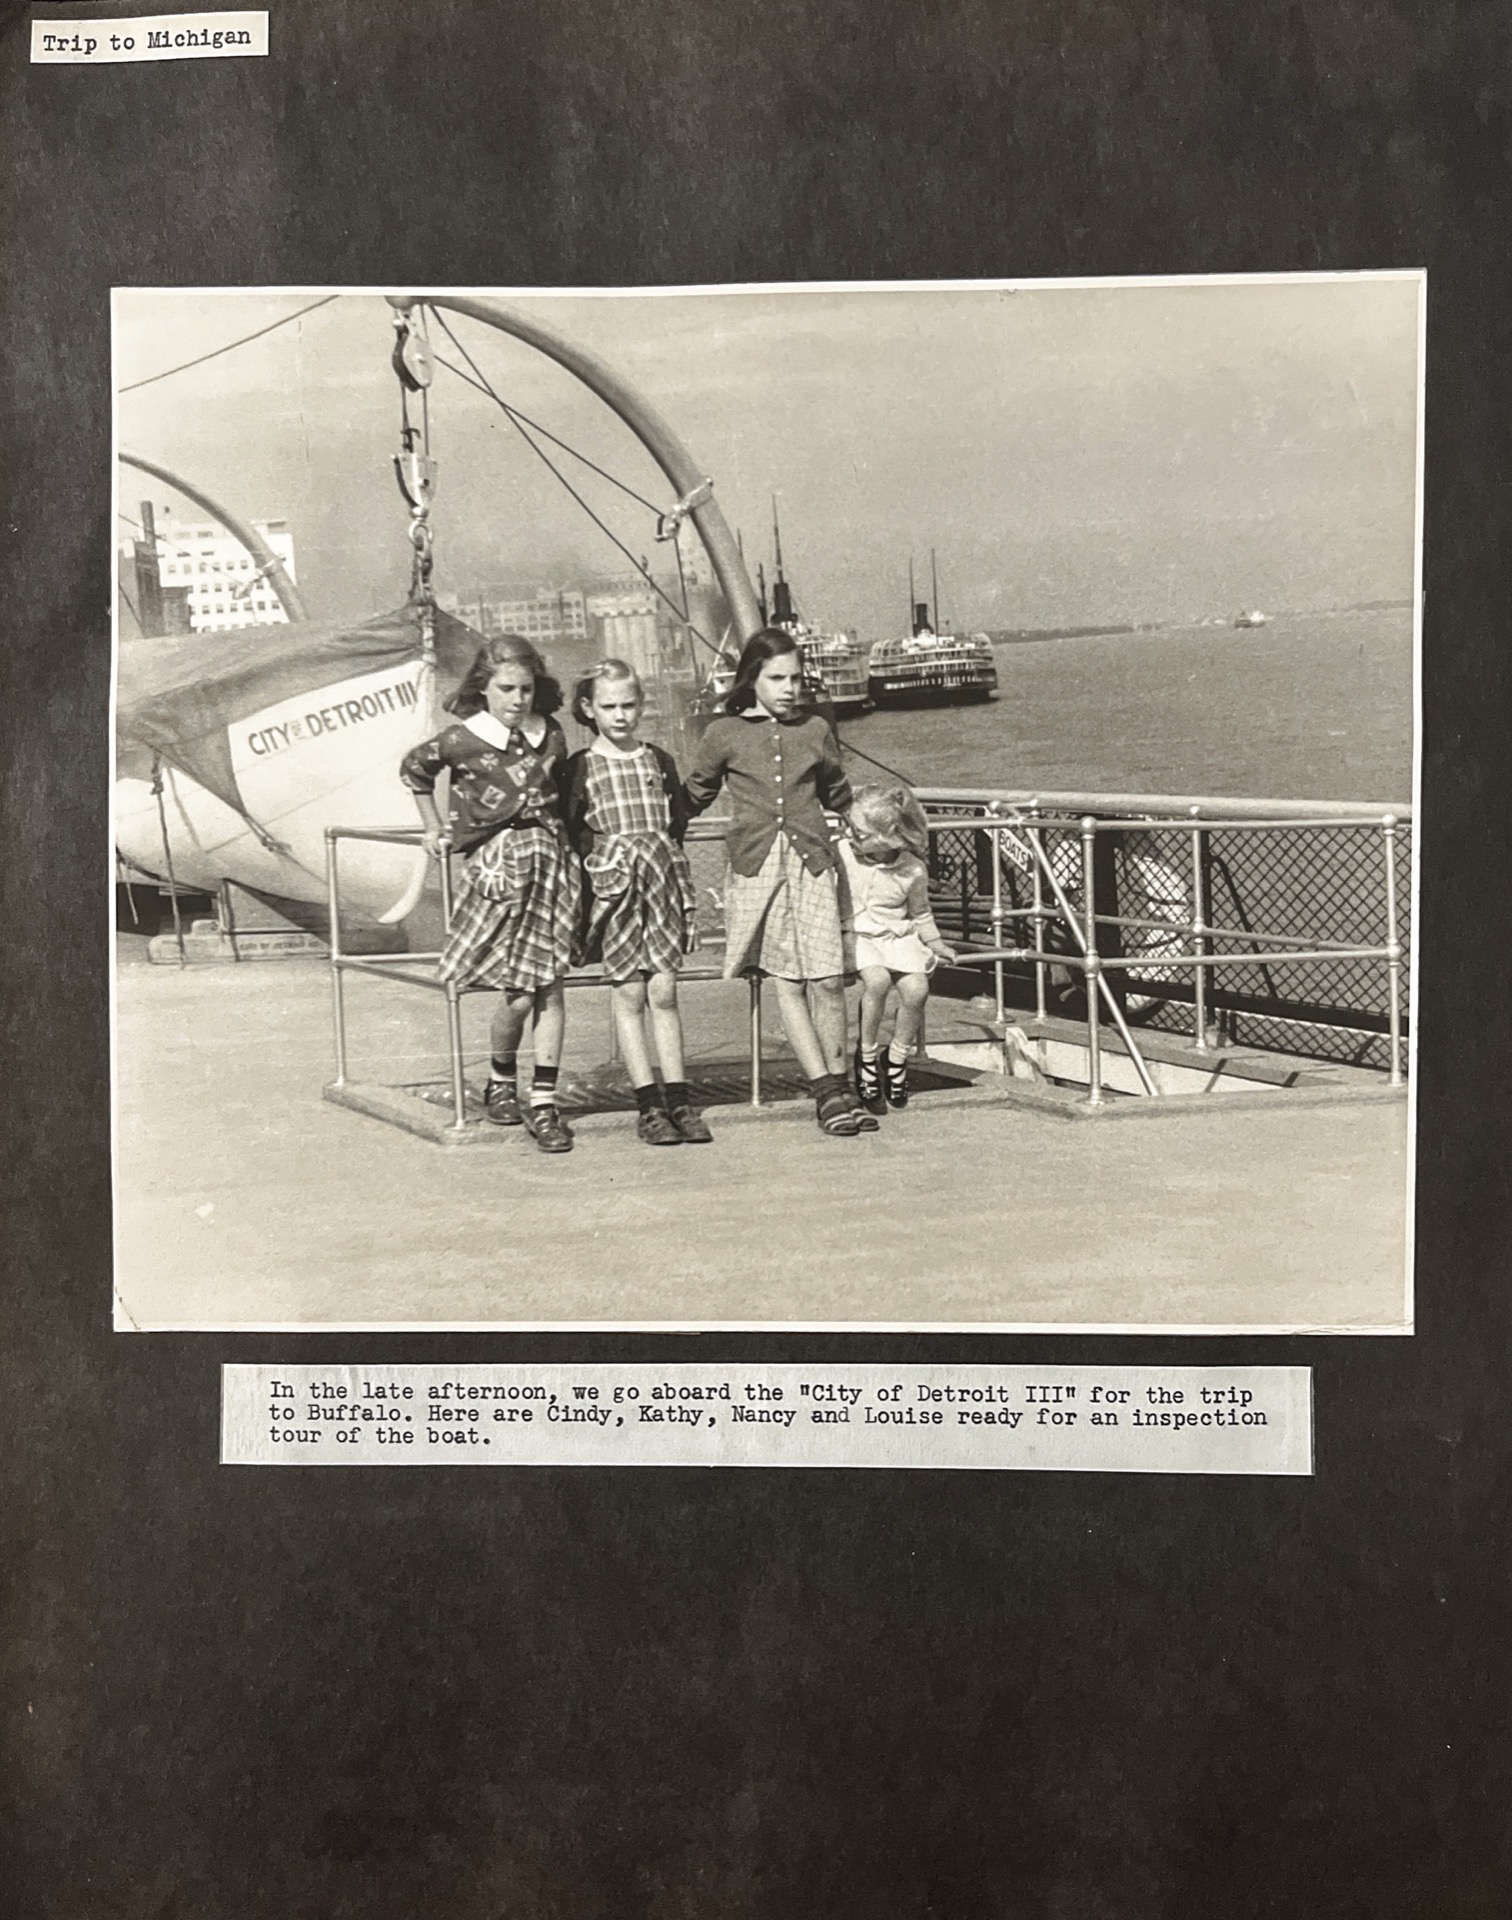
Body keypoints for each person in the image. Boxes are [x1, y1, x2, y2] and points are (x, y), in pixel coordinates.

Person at [684, 628, 873, 1137]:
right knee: (788, 981)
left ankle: (844, 1085)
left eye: (796, 678)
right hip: (758, 867)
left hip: (812, 863)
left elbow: (838, 793)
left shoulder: (815, 728)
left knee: (828, 980)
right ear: (752, 678)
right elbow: (695, 794)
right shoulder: (723, 733)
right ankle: (826, 1093)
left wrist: (879, 829)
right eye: (777, 678)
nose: (790, 688)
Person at [400, 633, 581, 1154]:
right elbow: (414, 769)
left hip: (550, 866)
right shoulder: (463, 738)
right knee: (519, 997)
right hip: (499, 872)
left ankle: (543, 1102)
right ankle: (501, 1079)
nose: (517, 700)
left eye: (526, 689)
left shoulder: (551, 734)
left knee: (551, 989)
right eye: (506, 689)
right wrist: (432, 827)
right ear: (484, 687)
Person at [563, 659, 711, 1147]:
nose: (621, 715)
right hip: (617, 891)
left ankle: (680, 1099)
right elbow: (571, 832)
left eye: (629, 705)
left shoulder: (657, 760)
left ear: (642, 705)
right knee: (629, 994)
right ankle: (648, 1104)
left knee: (664, 990)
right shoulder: (581, 767)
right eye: (609, 706)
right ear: (589, 709)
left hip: (660, 885)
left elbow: (676, 822)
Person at [839, 782, 957, 1114]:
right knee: (877, 981)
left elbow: (920, 912)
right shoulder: (844, 854)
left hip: (897, 935)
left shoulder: (912, 869)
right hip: (859, 933)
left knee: (917, 989)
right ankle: (866, 1056)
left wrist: (935, 943)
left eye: (860, 833)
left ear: (888, 837)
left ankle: (897, 1057)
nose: (851, 836)